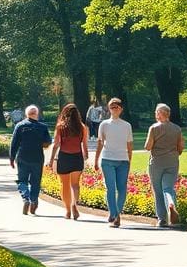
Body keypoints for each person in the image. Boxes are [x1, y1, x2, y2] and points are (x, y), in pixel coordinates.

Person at [94, 97, 132, 228]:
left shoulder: (127, 125)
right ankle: (115, 214)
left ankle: (116, 213)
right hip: (108, 159)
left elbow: (129, 145)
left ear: (121, 109)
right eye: (111, 107)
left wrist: (129, 160)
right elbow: (100, 143)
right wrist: (96, 160)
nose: (114, 109)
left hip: (123, 160)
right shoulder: (104, 124)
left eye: (116, 107)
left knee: (122, 188)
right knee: (110, 188)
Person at [145, 103, 184, 227]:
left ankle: (162, 219)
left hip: (156, 162)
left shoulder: (154, 128)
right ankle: (171, 204)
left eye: (156, 112)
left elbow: (148, 146)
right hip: (172, 161)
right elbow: (181, 148)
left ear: (160, 114)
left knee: (157, 190)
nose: (155, 114)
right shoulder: (177, 129)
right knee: (168, 188)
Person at [9, 105, 52, 215]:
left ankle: (25, 198)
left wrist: (11, 157)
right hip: (37, 157)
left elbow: (14, 143)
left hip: (23, 156)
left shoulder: (20, 126)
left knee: (22, 180)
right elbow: (48, 142)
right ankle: (33, 201)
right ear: (36, 114)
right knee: (35, 182)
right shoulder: (43, 127)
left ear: (26, 114)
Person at [49, 103, 89, 220]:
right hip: (77, 157)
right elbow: (84, 144)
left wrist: (51, 160)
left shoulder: (61, 127)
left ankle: (67, 211)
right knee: (75, 185)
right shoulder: (82, 127)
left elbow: (56, 144)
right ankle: (74, 205)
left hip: (64, 157)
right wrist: (85, 155)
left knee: (64, 185)